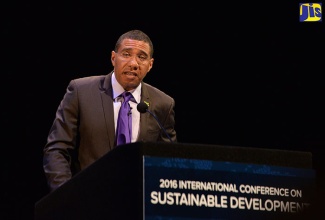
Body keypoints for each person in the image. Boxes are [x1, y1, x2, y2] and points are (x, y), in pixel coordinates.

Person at [43, 29, 177, 192]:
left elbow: (169, 159)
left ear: (150, 65)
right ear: (113, 58)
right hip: (87, 200)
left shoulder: (163, 104)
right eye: (126, 54)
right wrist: (65, 195)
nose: (133, 63)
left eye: (141, 57)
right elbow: (57, 149)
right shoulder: (81, 92)